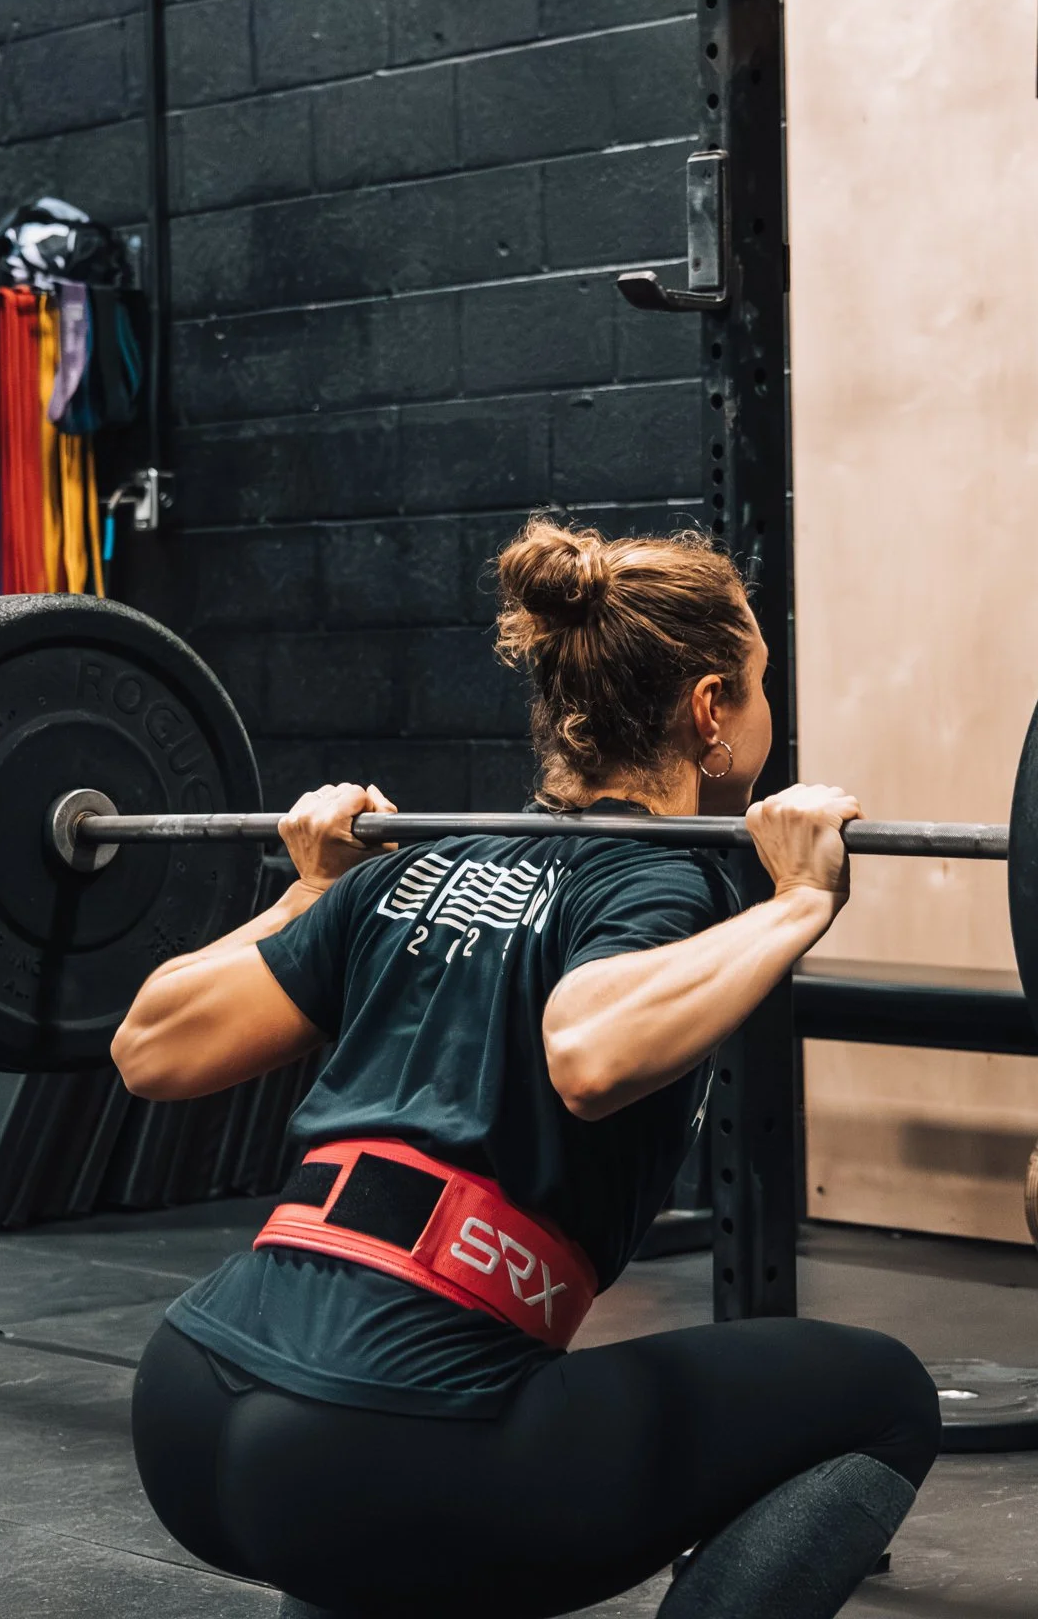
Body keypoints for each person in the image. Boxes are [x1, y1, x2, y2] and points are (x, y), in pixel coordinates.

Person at [115, 518, 941, 1619]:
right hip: (378, 1440)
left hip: (191, 1399)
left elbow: (148, 1041)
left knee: (364, 1491)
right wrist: (799, 900)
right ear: (710, 714)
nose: (762, 709)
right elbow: (591, 1052)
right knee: (883, 1393)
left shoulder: (417, 868)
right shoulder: (658, 880)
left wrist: (308, 887)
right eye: (757, 684)